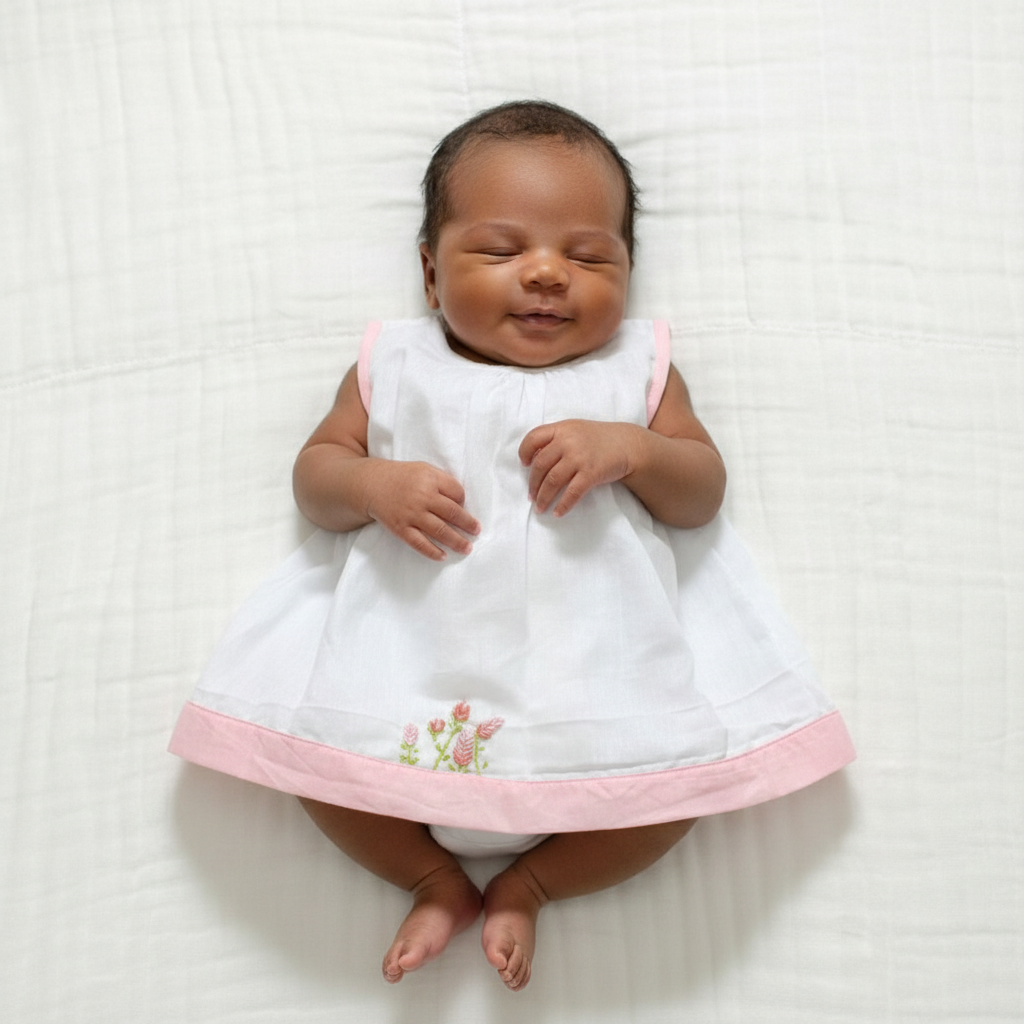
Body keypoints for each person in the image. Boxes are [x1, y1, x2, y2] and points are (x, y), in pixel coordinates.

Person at [170, 100, 854, 992]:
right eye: (500, 251)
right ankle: (433, 879)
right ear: (429, 272)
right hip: (409, 654)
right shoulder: (397, 365)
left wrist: (638, 449)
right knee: (319, 770)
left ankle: (532, 884)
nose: (545, 275)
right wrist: (370, 483)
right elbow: (315, 480)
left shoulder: (637, 371)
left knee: (686, 789)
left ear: (629, 271)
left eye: (589, 255)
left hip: (598, 665)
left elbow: (700, 495)